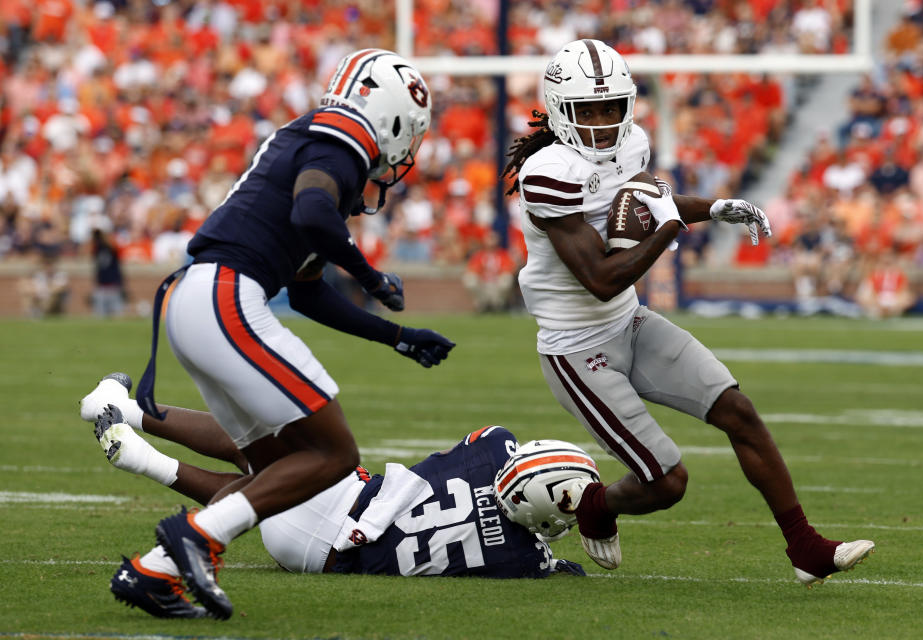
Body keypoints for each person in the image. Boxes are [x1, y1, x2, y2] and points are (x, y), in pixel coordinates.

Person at [500, 39, 874, 583]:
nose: (604, 122)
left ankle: (805, 549)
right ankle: (596, 506)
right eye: (590, 110)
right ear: (560, 110)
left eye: (613, 107)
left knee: (738, 411)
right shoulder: (548, 172)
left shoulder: (632, 148)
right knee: (667, 483)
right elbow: (601, 278)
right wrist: (670, 230)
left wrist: (713, 208)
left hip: (628, 321)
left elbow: (650, 207)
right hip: (578, 350)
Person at [126, 49, 455, 620]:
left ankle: (156, 570)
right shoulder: (344, 134)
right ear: (398, 119)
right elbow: (311, 212)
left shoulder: (318, 139)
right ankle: (197, 539)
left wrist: (395, 335)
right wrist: (371, 276)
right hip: (224, 296)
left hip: (198, 299)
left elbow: (306, 291)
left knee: (279, 468)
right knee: (334, 452)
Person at [80, 374, 587, 619]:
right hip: (317, 556)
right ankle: (140, 456)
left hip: (345, 506)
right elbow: (557, 560)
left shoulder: (496, 445)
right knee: (262, 478)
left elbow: (473, 453)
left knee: (261, 447)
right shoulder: (522, 558)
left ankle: (124, 410)